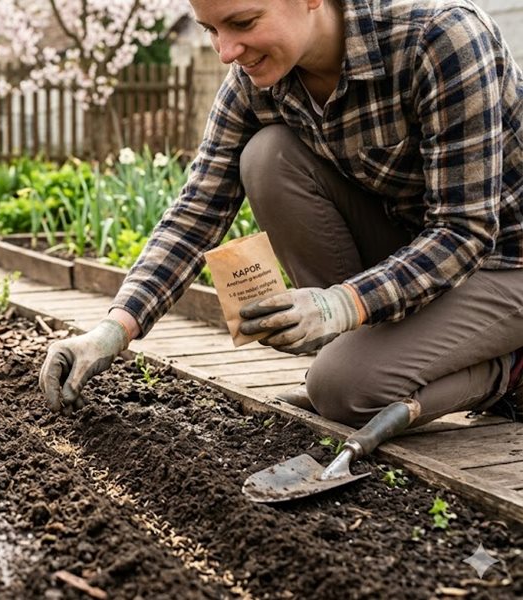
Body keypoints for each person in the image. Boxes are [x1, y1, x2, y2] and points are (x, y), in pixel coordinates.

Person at [39, 0, 523, 427]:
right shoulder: (257, 82)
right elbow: (197, 211)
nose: (226, 51)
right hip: (417, 260)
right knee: (267, 155)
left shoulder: (440, 38)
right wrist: (111, 331)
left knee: (342, 390)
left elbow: (464, 230)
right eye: (210, 30)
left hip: (505, 260)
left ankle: (508, 370)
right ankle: (367, 351)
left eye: (243, 22)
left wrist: (339, 305)